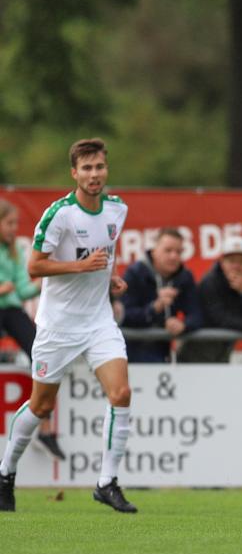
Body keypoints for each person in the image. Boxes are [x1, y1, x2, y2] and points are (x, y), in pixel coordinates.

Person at [0, 138, 137, 513]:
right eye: (87, 169)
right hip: (58, 326)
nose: (95, 175)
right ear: (74, 173)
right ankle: (6, 470)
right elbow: (35, 267)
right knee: (42, 406)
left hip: (98, 322)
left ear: (106, 170)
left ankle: (106, 482)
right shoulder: (59, 214)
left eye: (100, 167)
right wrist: (81, 267)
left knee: (121, 393)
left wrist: (110, 278)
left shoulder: (117, 209)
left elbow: (103, 255)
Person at [0, 200, 66, 461]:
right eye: (9, 223)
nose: (14, 229)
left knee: (43, 356)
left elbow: (23, 289)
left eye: (16, 224)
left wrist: (47, 280)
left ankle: (46, 430)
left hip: (12, 310)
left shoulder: (15, 251)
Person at [177, 236, 242, 363]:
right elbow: (221, 319)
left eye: (241, 261)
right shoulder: (209, 282)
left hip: (223, 351)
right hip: (195, 351)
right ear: (222, 262)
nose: (236, 266)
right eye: (231, 261)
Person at [121, 228, 203, 362]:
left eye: (178, 252)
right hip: (130, 354)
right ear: (154, 252)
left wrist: (183, 325)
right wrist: (154, 308)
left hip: (163, 355)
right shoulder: (135, 274)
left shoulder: (184, 277)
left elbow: (197, 314)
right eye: (168, 250)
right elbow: (123, 316)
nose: (174, 256)